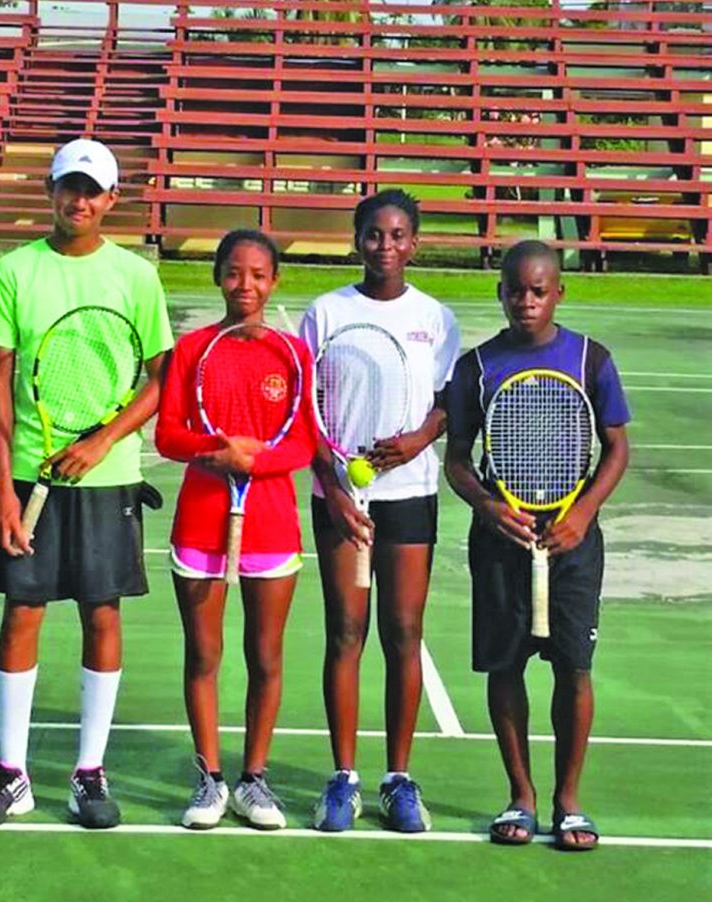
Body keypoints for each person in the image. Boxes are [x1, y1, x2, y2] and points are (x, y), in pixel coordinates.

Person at [0, 138, 174, 829]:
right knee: (22, 612)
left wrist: (103, 440)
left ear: (113, 199)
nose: (78, 200)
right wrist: (2, 490)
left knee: (100, 613)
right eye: (67, 187)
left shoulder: (136, 277)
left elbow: (160, 378)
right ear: (50, 191)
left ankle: (89, 772)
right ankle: (13, 773)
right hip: (30, 471)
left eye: (92, 190)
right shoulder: (13, 272)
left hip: (109, 475)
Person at [444, 239, 630, 851]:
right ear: (500, 292)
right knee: (506, 665)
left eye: (539, 290)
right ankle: (520, 796)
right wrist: (488, 505)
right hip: (502, 540)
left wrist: (583, 512)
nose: (526, 301)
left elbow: (617, 448)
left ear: (559, 293)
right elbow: (458, 460)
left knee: (575, 667)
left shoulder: (590, 360)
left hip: (572, 540)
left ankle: (568, 800)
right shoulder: (476, 367)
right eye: (515, 290)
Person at [301, 189, 460, 833]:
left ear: (414, 243)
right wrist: (334, 487)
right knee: (345, 631)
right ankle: (343, 779)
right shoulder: (326, 313)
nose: (385, 247)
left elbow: (447, 401)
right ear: (356, 239)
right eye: (373, 234)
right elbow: (305, 413)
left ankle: (398, 779)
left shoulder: (436, 319)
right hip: (340, 497)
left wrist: (420, 439)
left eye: (397, 235)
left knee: (403, 634)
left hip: (411, 495)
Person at [155, 229, 316, 831]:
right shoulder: (193, 349)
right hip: (200, 523)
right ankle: (210, 778)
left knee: (265, 656)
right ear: (217, 276)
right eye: (233, 273)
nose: (244, 285)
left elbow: (302, 442)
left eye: (257, 274)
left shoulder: (293, 355)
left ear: (274, 282)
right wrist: (217, 453)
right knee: (204, 653)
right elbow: (168, 434)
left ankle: (253, 779)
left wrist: (256, 462)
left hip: (271, 527)